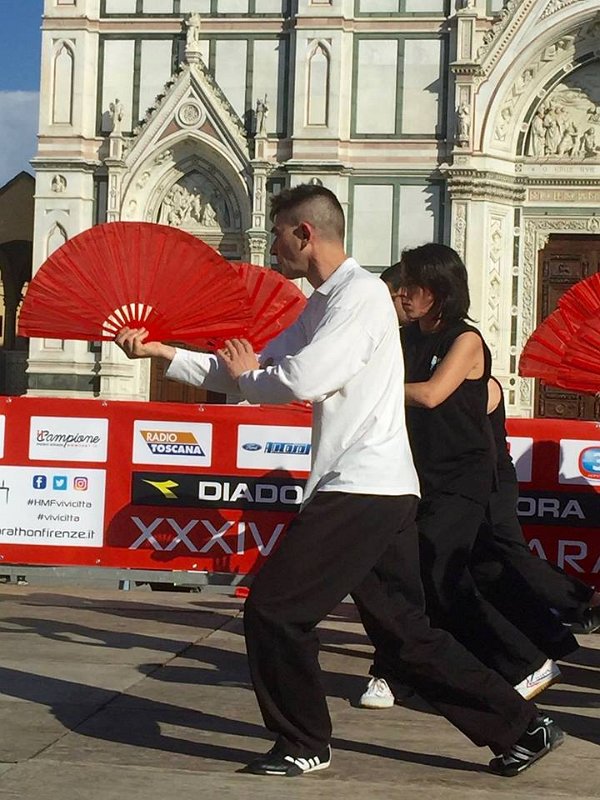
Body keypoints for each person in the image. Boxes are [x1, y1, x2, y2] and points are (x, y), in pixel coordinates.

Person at [115, 185, 562, 778]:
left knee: (274, 611)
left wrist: (250, 377)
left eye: (278, 234)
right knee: (405, 637)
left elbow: (300, 380)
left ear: (305, 234)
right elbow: (255, 368)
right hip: (376, 488)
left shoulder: (361, 296)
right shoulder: (324, 303)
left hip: (362, 487)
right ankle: (524, 728)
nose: (272, 247)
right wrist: (160, 353)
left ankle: (304, 742)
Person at [360, 247, 560, 712]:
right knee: (418, 577)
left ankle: (525, 663)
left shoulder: (465, 339)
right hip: (416, 474)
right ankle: (400, 671)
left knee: (438, 576)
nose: (402, 295)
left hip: (463, 478)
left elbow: (432, 394)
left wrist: (366, 389)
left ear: (437, 291)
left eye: (411, 286)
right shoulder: (404, 338)